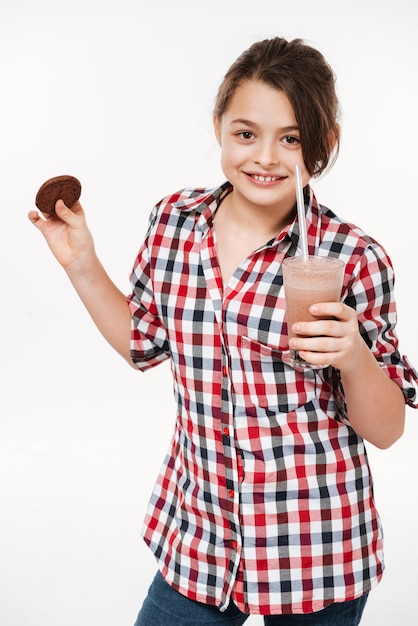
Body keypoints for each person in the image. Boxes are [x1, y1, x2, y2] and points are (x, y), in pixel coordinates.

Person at [28, 37, 417, 625]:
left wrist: (355, 357)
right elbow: (143, 342)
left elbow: (387, 431)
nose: (264, 156)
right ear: (218, 126)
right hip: (200, 538)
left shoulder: (352, 257)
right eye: (245, 133)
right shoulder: (174, 224)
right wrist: (82, 263)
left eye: (291, 138)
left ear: (324, 144)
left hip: (315, 546)